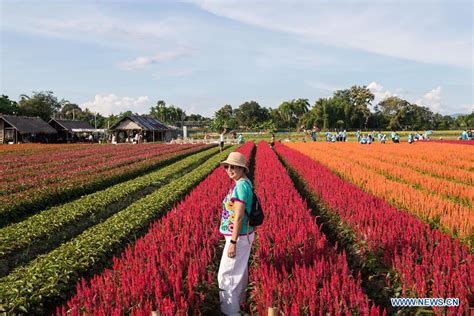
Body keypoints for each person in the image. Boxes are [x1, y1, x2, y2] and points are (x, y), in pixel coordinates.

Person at [218, 152, 254, 315]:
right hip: (243, 236)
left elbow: (239, 216)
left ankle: (230, 312)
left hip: (237, 238)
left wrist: (232, 243)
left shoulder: (240, 186)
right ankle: (240, 306)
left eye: (234, 167)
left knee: (226, 277)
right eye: (227, 166)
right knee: (239, 273)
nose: (229, 169)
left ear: (242, 168)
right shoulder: (244, 182)